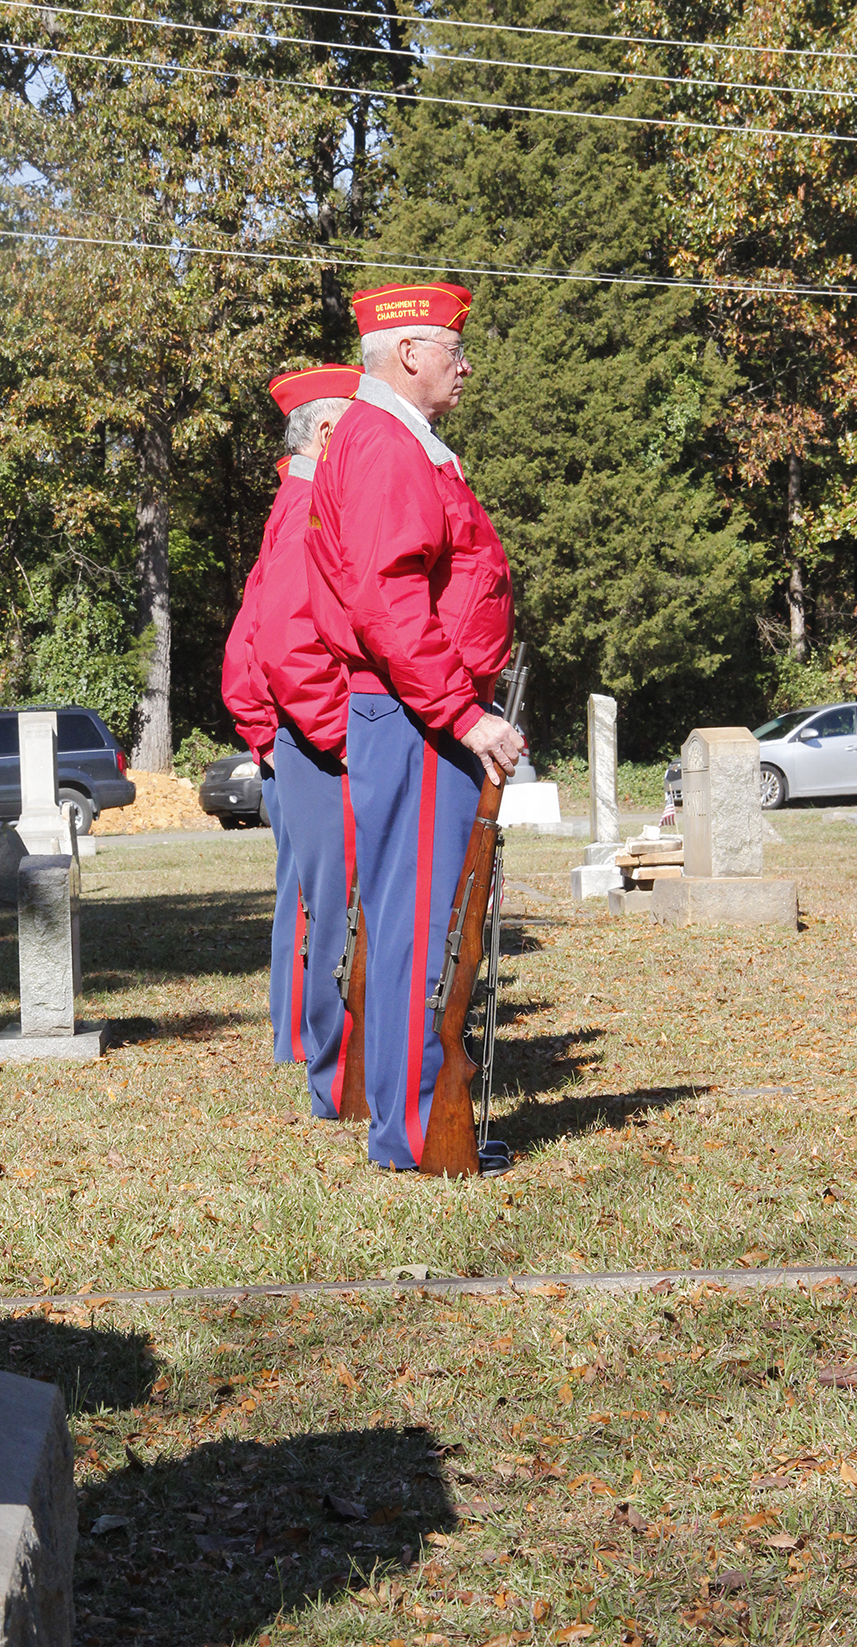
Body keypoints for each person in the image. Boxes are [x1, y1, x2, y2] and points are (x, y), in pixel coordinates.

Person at [304, 283, 521, 1170]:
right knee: (421, 926)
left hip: (406, 707)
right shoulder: (389, 445)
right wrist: (464, 715)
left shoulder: (385, 440)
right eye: (450, 348)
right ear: (405, 355)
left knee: (406, 921)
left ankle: (404, 1120)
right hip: (418, 714)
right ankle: (419, 1131)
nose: (463, 366)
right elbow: (392, 602)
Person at [252, 364, 361, 1117]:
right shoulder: (304, 510)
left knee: (328, 903)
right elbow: (284, 647)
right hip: (323, 741)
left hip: (312, 736)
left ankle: (336, 1064)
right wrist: (343, 742)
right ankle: (336, 1075)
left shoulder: (302, 504)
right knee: (335, 906)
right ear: (328, 432)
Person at [221, 457, 302, 1065]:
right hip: (298, 748)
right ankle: (300, 1036)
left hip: (289, 742)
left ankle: (297, 1033)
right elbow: (262, 648)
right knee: (308, 898)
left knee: (303, 895)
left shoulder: (291, 514)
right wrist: (271, 741)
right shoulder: (303, 513)